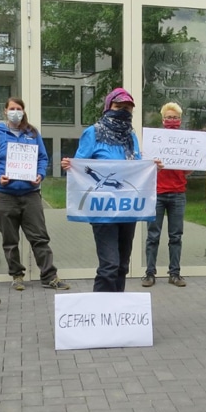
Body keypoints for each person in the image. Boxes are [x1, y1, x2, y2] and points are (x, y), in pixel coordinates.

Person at [60, 87, 146, 292]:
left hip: (127, 210)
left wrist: (152, 167)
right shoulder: (93, 132)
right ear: (108, 107)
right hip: (102, 210)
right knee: (109, 266)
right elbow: (81, 164)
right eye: (118, 106)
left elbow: (138, 166)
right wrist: (70, 166)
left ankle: (116, 313)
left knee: (122, 266)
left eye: (127, 108)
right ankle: (99, 313)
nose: (123, 111)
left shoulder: (130, 137)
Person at [0, 97, 69, 292]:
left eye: (19, 108)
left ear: (23, 111)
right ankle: (17, 275)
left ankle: (49, 276)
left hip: (30, 195)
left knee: (39, 237)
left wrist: (39, 175)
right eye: (12, 108)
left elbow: (42, 158)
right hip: (5, 195)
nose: (16, 112)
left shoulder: (32, 133)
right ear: (5, 111)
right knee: (10, 240)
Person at [142, 102, 188, 288]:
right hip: (157, 193)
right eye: (169, 117)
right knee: (153, 236)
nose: (172, 121)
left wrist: (195, 162)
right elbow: (145, 162)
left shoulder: (187, 142)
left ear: (180, 120)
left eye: (175, 118)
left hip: (178, 193)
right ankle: (150, 273)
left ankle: (175, 273)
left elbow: (189, 169)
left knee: (176, 236)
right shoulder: (155, 140)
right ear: (163, 120)